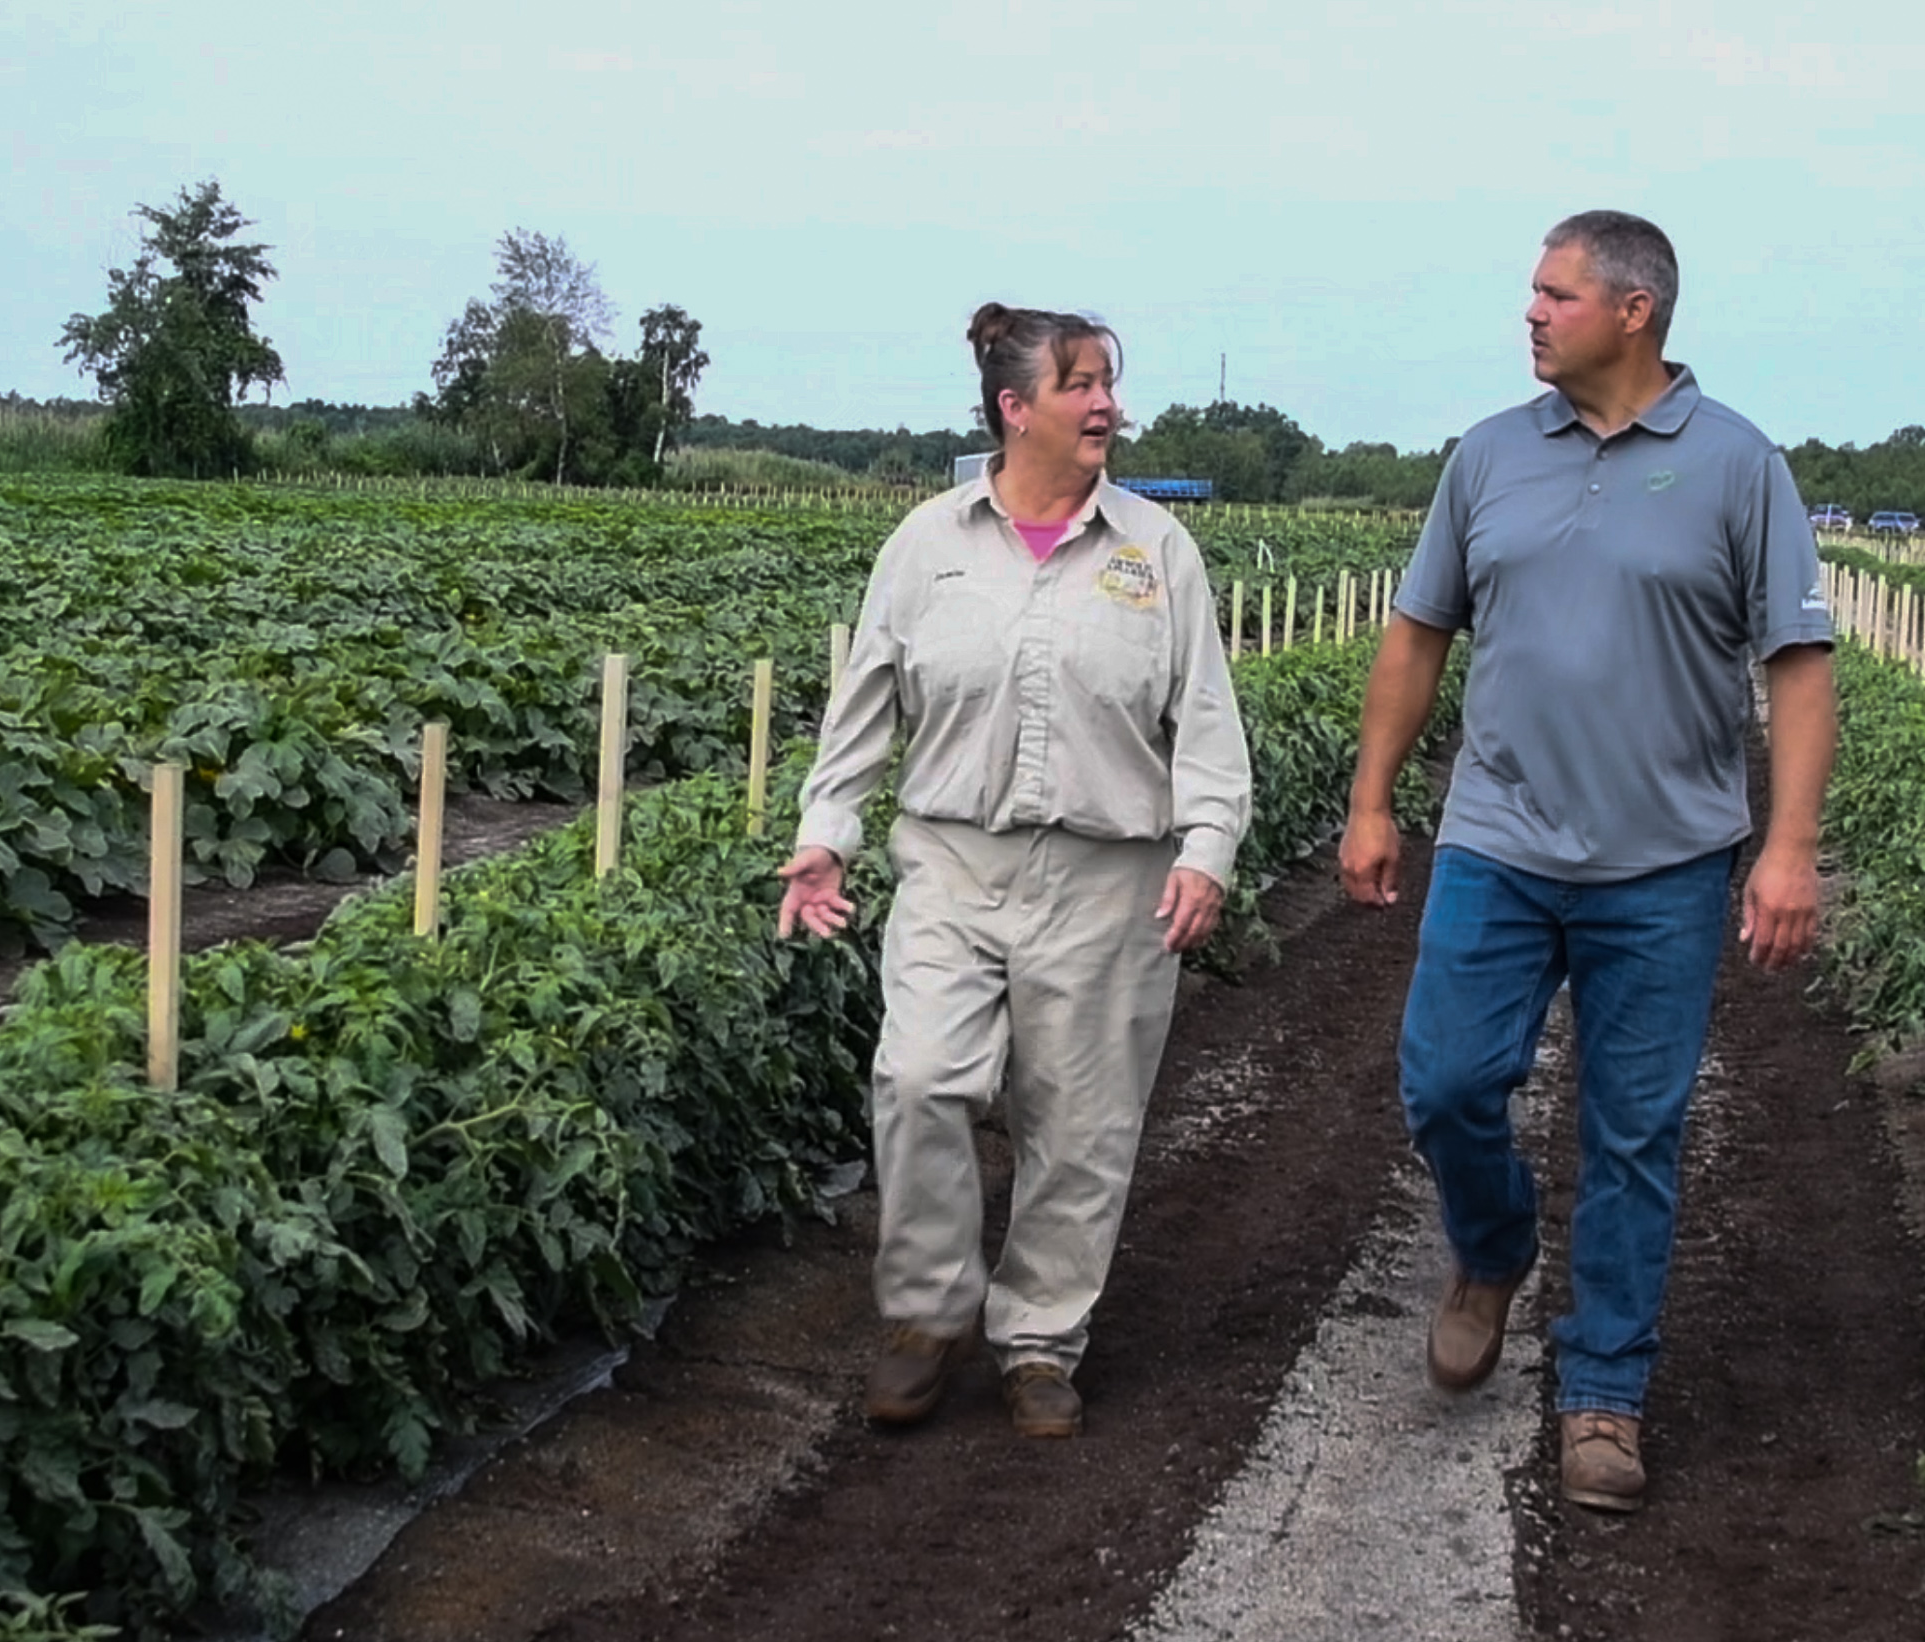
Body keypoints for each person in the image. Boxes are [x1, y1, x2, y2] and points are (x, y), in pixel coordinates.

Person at [1338, 211, 1837, 1512]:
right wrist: (1372, 798)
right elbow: (1417, 635)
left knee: (1634, 1135)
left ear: (1634, 311)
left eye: (1555, 294)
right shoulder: (1489, 457)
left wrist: (1787, 845)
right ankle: (1491, 1247)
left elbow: (1798, 665)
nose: (1532, 314)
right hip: (1497, 841)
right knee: (1445, 1080)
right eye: (1533, 292)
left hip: (1666, 863)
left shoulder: (1738, 466)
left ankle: (1605, 1390)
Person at [776, 303, 1251, 1439]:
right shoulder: (928, 544)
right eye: (1082, 385)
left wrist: (1208, 850)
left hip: (1109, 879)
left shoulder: (1156, 550)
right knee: (920, 1080)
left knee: (1081, 1120)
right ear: (1014, 406)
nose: (1106, 406)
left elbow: (1206, 723)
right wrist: (824, 832)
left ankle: (1040, 1340)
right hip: (952, 861)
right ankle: (928, 1314)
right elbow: (864, 709)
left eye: (1108, 384)